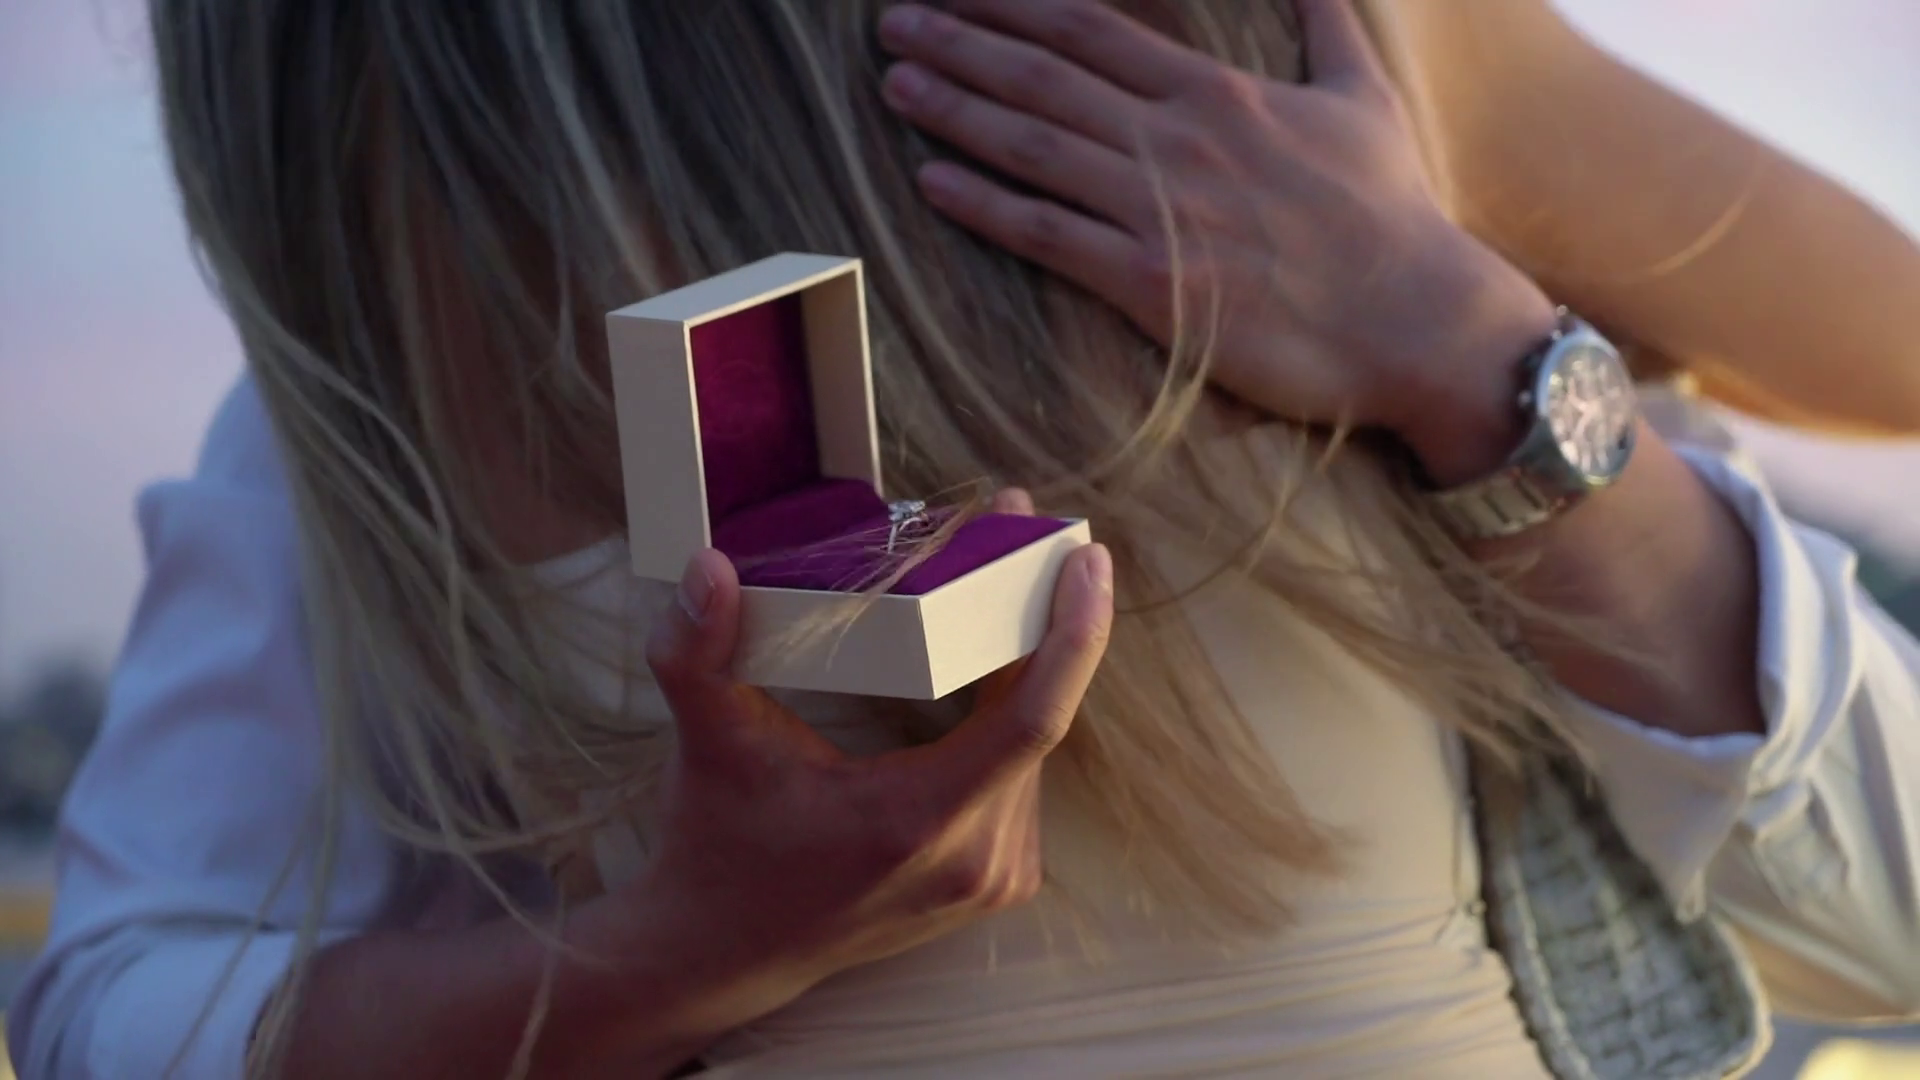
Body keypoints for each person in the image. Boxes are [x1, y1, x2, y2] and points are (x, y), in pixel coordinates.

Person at [11, 1, 1920, 1077]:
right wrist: (660, 954)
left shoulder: (1289, 52)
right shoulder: (402, 132)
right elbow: (115, 1005)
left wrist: (1476, 354)